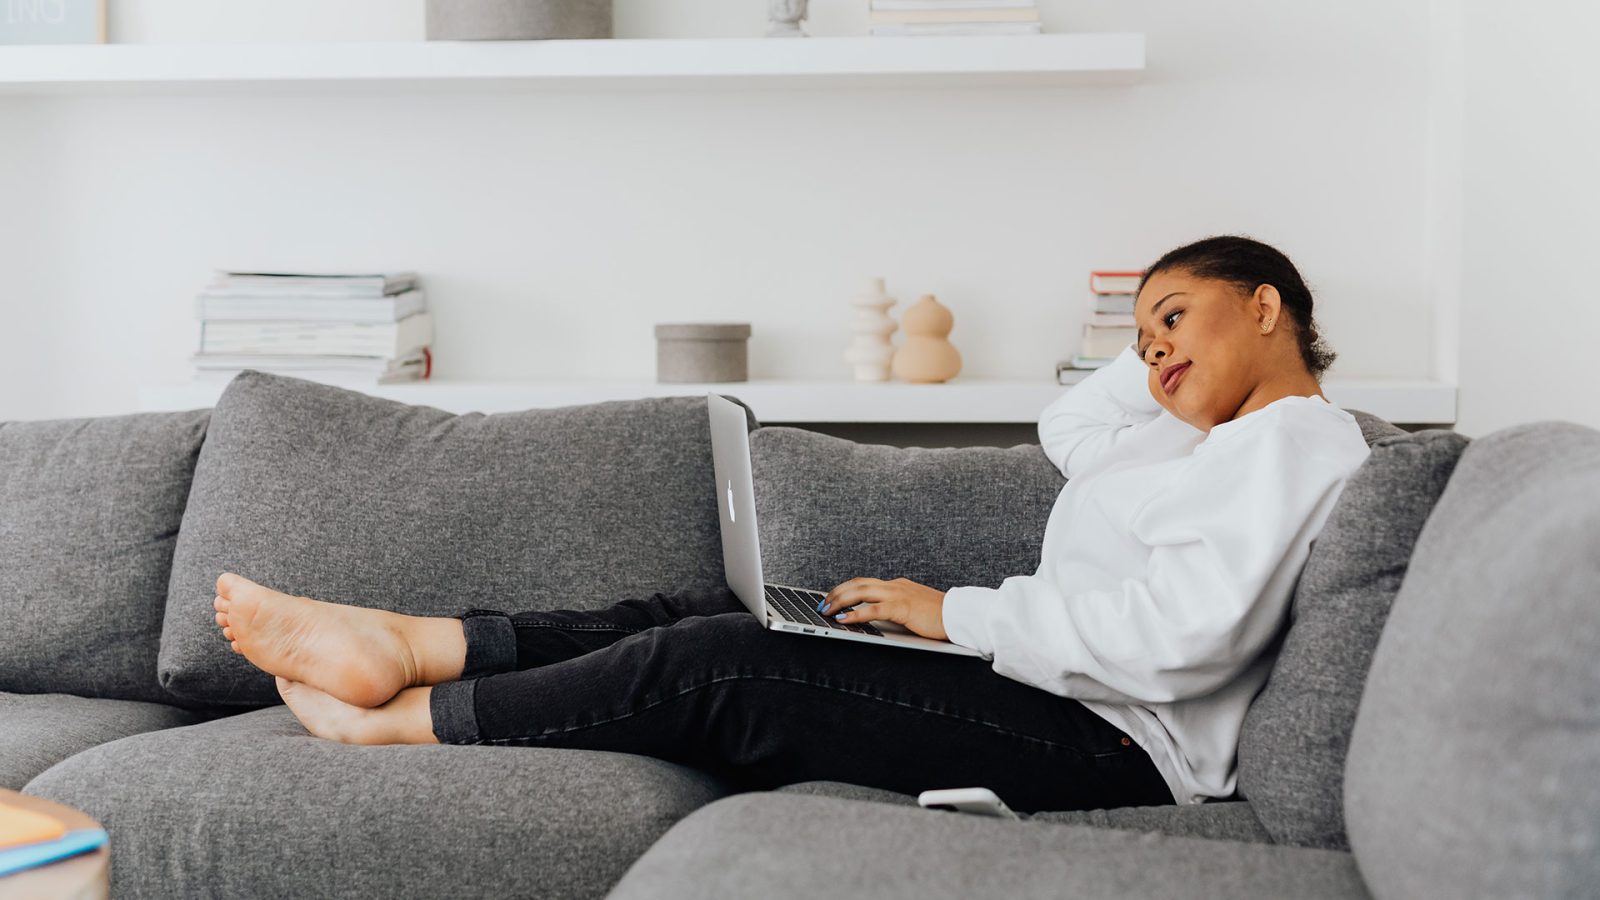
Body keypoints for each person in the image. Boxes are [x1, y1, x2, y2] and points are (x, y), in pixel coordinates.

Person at [211, 234, 1370, 812]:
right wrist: (1159, 355)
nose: (1154, 349)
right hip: (1059, 693)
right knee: (725, 608)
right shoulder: (1195, 439)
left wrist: (954, 614)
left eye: (1176, 318)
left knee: (726, 665)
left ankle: (399, 722)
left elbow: (1184, 635)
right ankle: (416, 645)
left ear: (1266, 306)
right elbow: (1072, 426)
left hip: (1116, 747)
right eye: (1141, 333)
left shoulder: (1296, 444)